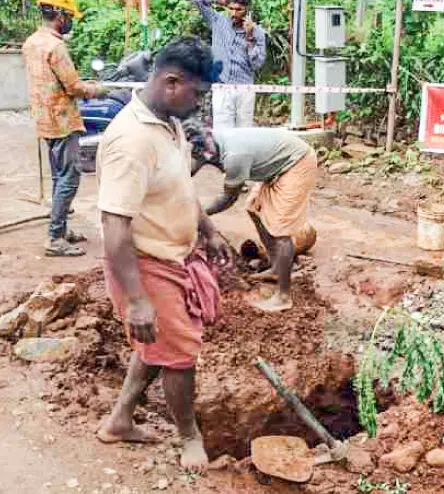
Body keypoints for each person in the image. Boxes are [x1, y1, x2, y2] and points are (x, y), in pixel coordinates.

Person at [95, 37, 231, 473]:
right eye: (197, 93)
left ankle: (119, 421)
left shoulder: (168, 123)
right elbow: (115, 226)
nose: (200, 104)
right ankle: (189, 437)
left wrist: (207, 229)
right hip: (146, 262)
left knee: (159, 342)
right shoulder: (131, 141)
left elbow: (180, 187)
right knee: (180, 355)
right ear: (171, 82)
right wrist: (137, 300)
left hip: (174, 255)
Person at [185, 122, 318, 312]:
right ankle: (275, 268)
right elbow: (188, 170)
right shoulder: (210, 143)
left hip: (296, 163)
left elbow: (228, 199)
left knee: (281, 231)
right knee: (254, 208)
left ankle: (283, 297)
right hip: (276, 166)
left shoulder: (234, 157)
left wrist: (198, 216)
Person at [22, 0, 108, 257]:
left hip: (45, 119)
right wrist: (97, 89)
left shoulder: (31, 42)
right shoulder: (55, 46)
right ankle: (55, 238)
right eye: (69, 16)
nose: (70, 21)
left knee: (59, 177)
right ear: (59, 15)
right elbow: (73, 87)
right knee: (69, 178)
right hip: (62, 121)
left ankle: (61, 228)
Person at [190, 0, 266, 128]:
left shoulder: (257, 33)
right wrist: (222, 1)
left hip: (245, 89)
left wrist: (250, 38)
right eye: (231, 9)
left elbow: (257, 64)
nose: (234, 13)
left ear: (247, 9)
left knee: (244, 133)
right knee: (222, 133)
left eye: (239, 10)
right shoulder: (217, 21)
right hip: (222, 87)